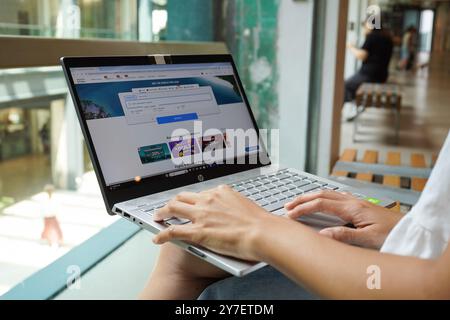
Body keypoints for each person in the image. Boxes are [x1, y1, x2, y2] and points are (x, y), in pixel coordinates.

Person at [140, 131, 450, 299]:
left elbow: (433, 292)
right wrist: (404, 228)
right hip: (426, 261)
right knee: (190, 256)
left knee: (187, 266)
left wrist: (261, 229)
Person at [344, 20, 394, 104]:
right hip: (382, 75)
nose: (364, 28)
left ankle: (350, 105)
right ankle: (354, 102)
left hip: (369, 75)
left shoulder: (372, 37)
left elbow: (362, 56)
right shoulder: (387, 38)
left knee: (345, 85)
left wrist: (350, 47)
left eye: (365, 26)